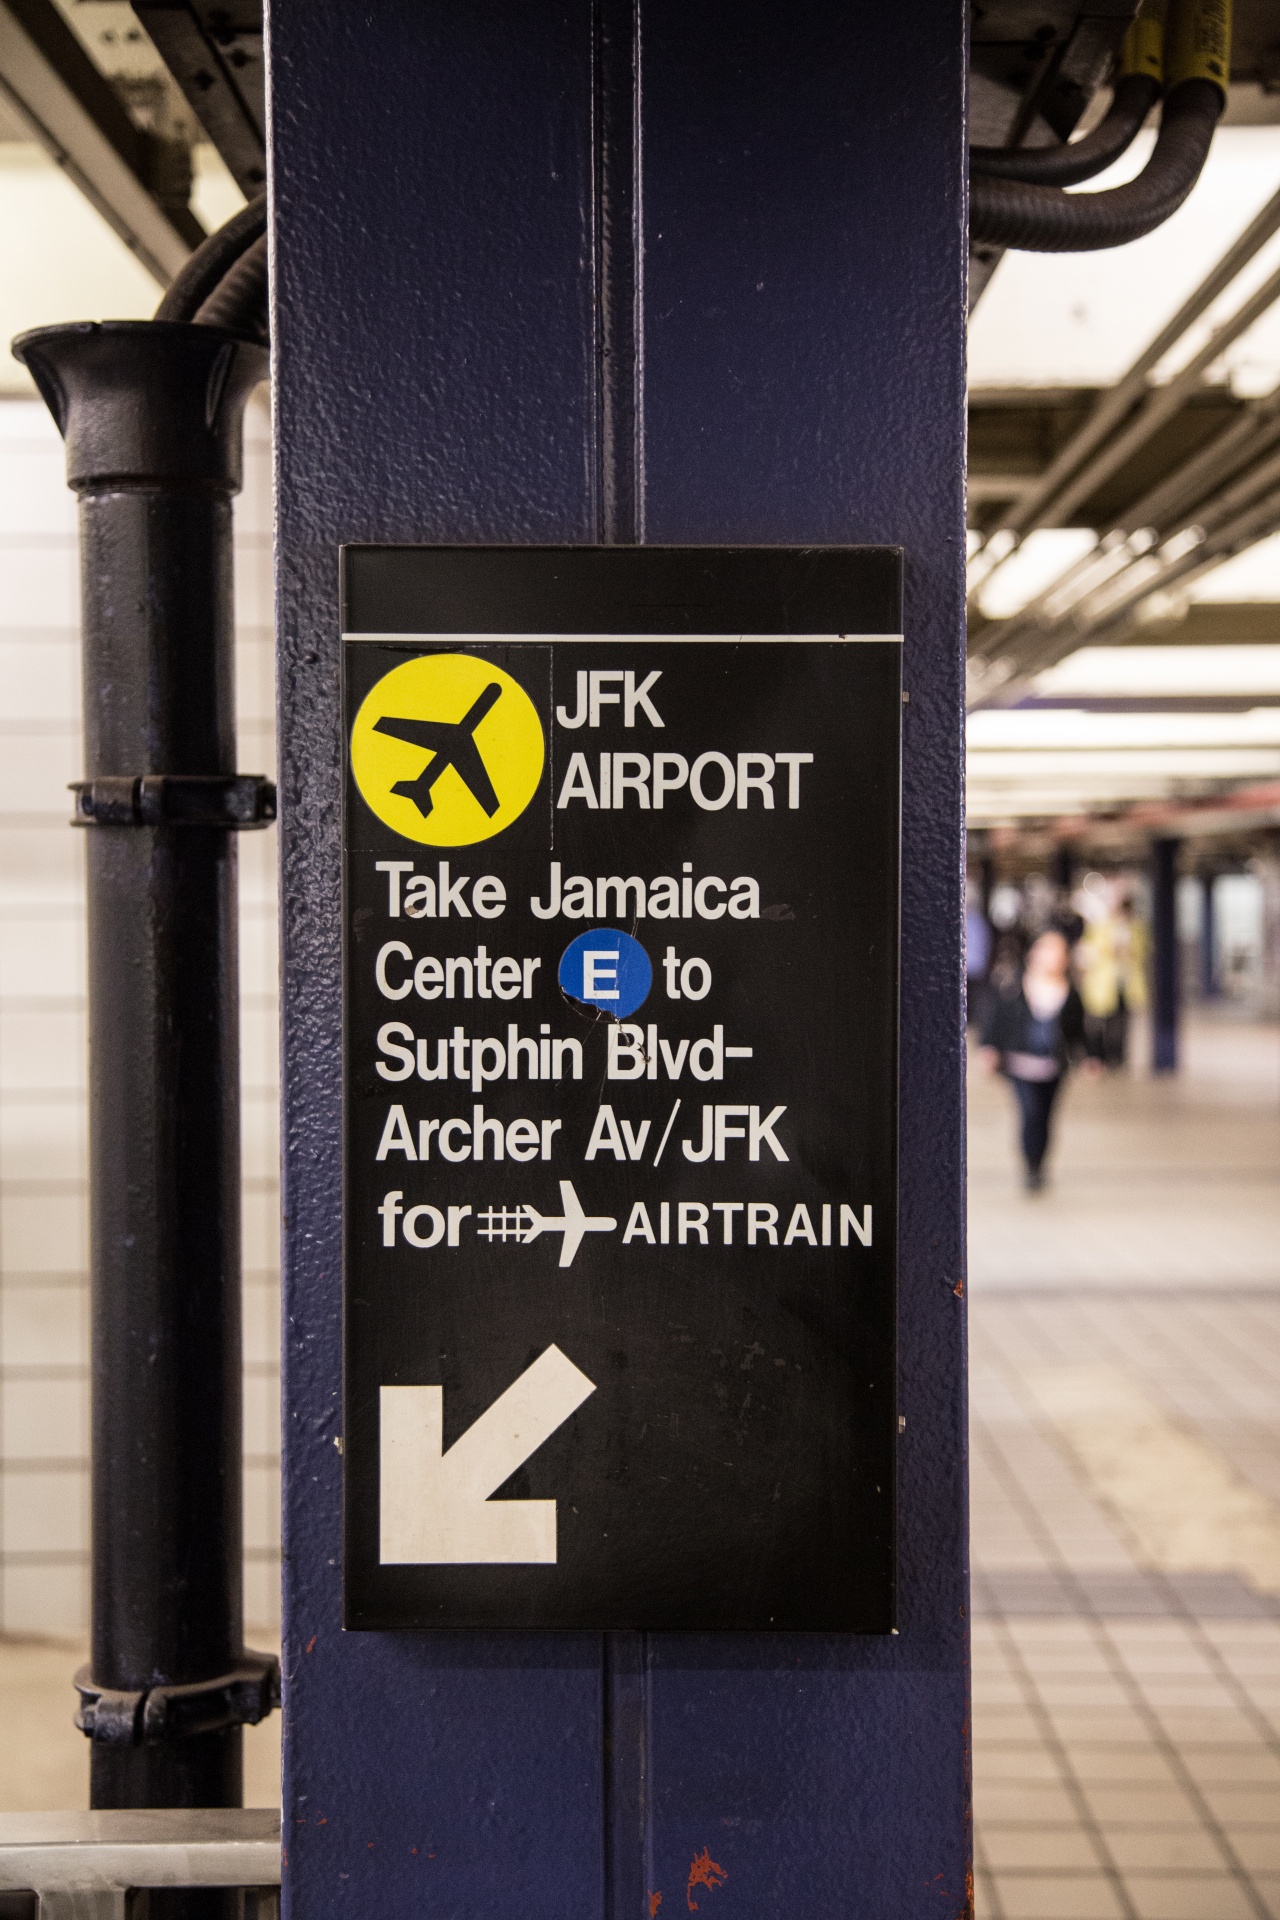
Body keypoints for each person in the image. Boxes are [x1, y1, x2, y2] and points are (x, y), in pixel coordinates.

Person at [979, 927, 1101, 1191]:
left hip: (1053, 1068)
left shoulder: (1071, 994)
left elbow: (1079, 1031)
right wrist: (990, 1049)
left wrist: (1090, 1058)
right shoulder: (1014, 987)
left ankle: (1040, 1164)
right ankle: (1029, 1164)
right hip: (1020, 1065)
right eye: (1047, 950)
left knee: (1046, 1116)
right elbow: (998, 1020)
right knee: (1029, 1112)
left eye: (1058, 952)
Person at [1076, 892, 1148, 1068]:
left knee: (1121, 1024)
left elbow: (1143, 952)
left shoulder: (1137, 928)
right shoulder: (1100, 928)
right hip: (1103, 984)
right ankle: (1099, 1056)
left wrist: (1129, 950)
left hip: (1125, 983)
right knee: (1100, 1022)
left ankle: (1118, 1058)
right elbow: (1088, 952)